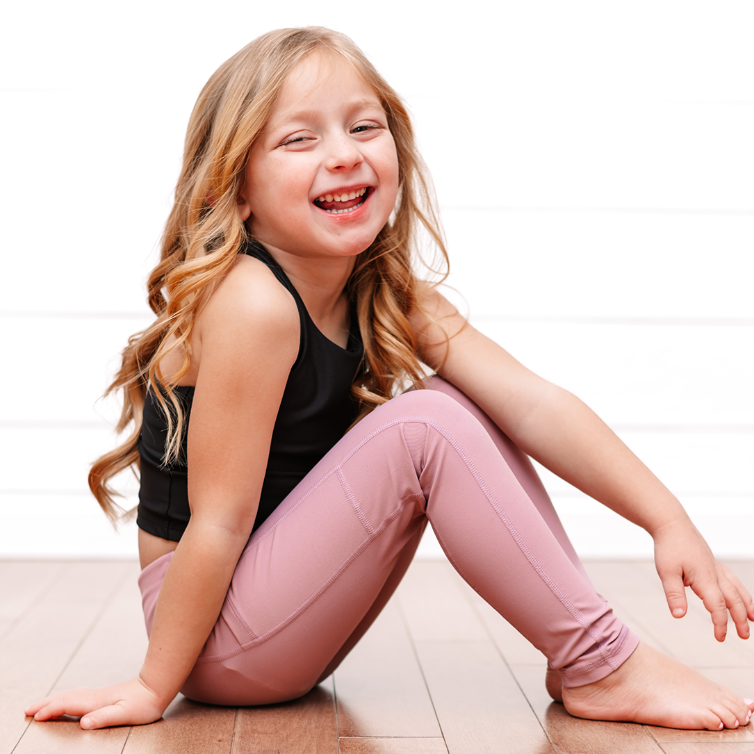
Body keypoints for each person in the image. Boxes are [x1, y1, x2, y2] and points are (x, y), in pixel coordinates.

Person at [25, 26, 754, 733]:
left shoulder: (383, 293)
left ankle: (582, 658)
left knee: (456, 401)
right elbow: (217, 523)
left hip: (272, 618)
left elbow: (532, 405)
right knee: (424, 425)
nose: (343, 155)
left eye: (363, 128)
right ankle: (600, 661)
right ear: (234, 190)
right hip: (212, 637)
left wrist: (666, 519)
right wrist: (154, 685)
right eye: (299, 139)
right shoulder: (252, 303)